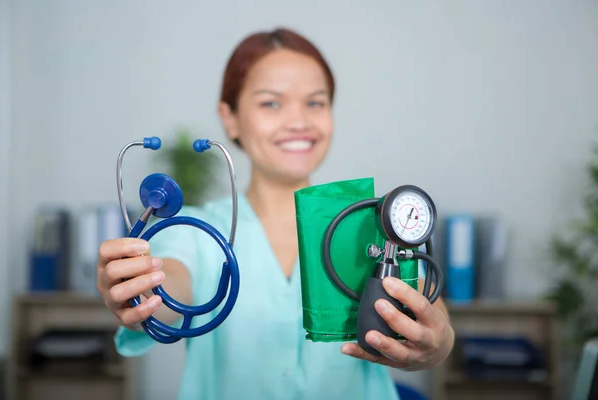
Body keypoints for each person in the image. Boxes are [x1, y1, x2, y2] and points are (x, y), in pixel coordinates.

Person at [97, 27, 455, 400]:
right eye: (271, 103)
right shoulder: (194, 231)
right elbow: (167, 289)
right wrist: (138, 290)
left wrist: (439, 343)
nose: (298, 121)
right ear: (230, 117)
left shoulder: (375, 221)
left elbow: (428, 310)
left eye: (315, 103)